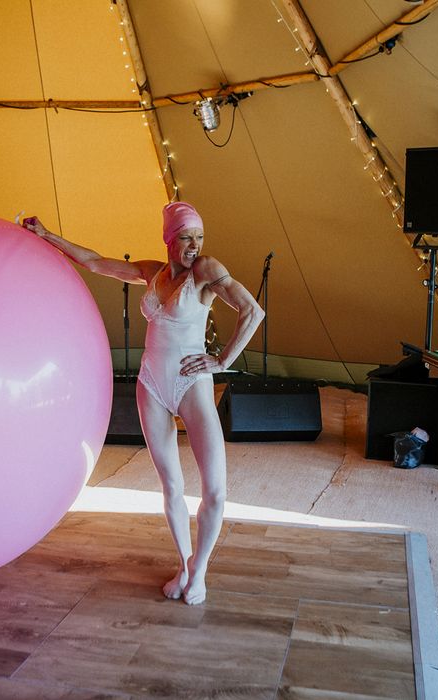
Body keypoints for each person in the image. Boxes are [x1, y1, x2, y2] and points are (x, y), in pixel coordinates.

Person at [22, 202, 264, 605]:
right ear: (169, 239)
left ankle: (200, 570)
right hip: (151, 383)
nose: (194, 245)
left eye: (199, 237)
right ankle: (184, 566)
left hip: (192, 382)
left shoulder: (205, 270)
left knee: (216, 491)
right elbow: (97, 263)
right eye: (186, 237)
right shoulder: (153, 272)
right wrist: (48, 236)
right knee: (171, 486)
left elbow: (252, 311)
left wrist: (223, 361)